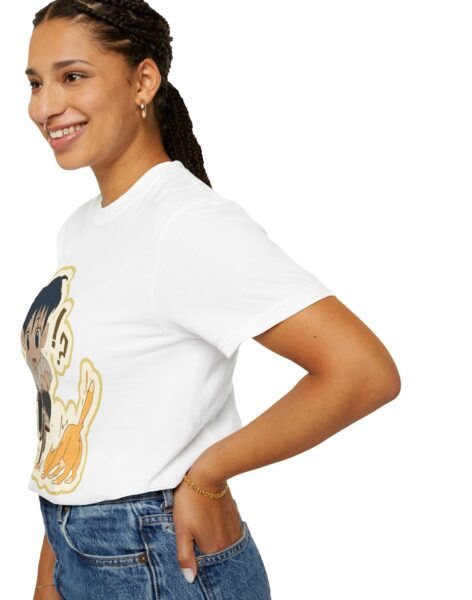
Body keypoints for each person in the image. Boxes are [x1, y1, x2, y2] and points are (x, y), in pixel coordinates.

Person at [21, 2, 401, 599]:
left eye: (73, 76)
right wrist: (52, 571)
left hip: (160, 558)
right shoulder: (81, 227)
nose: (45, 106)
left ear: (143, 81)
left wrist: (209, 473)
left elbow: (363, 372)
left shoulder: (186, 223)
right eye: (35, 83)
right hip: (78, 548)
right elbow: (83, 420)